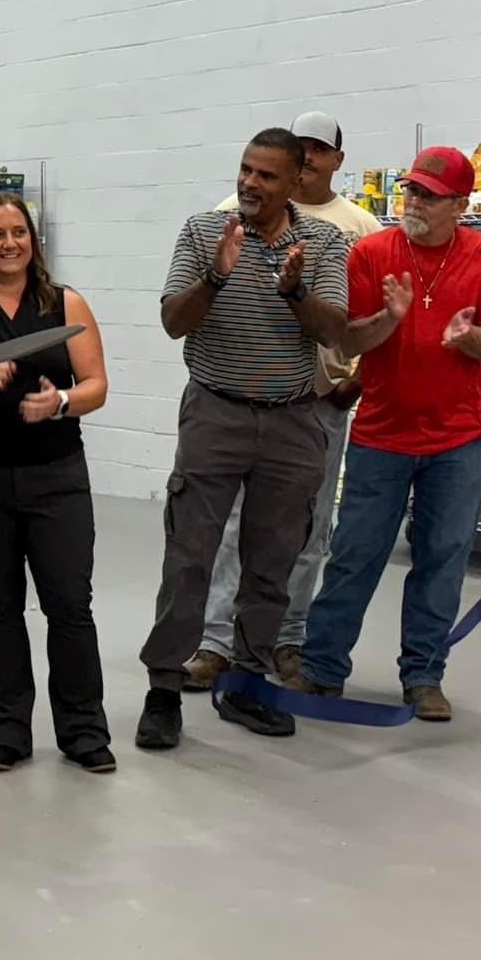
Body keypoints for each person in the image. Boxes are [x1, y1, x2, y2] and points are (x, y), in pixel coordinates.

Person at [285, 147, 481, 721]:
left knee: (443, 558)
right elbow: (348, 341)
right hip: (381, 434)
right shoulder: (371, 252)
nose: (413, 202)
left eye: (429, 196)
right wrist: (390, 319)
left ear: (460, 205)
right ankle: (322, 667)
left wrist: (468, 338)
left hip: (459, 439)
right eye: (411, 190)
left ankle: (424, 677)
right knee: (355, 553)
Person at [135, 128, 350, 750]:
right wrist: (215, 275)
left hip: (292, 421)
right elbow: (173, 321)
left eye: (266, 175)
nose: (250, 183)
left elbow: (334, 330)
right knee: (189, 557)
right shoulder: (205, 230)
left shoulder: (324, 242)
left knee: (272, 561)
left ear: (297, 181)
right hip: (215, 413)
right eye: (246, 170)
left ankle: (248, 684)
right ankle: (163, 690)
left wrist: (295, 290)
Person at [189, 111, 383, 689]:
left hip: (322, 401)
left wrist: (357, 379)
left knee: (308, 528)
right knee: (234, 526)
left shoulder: (360, 228)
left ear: (335, 161)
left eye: (320, 150)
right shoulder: (232, 213)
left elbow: (373, 319)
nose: (310, 159)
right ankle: (217, 641)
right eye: (302, 148)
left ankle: (286, 639)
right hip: (245, 401)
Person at [0, 193, 115, 774]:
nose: (9, 243)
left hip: (55, 475)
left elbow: (96, 385)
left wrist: (59, 402)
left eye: (19, 232)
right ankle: (7, 731)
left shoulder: (65, 304)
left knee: (70, 605)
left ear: (33, 241)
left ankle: (84, 730)